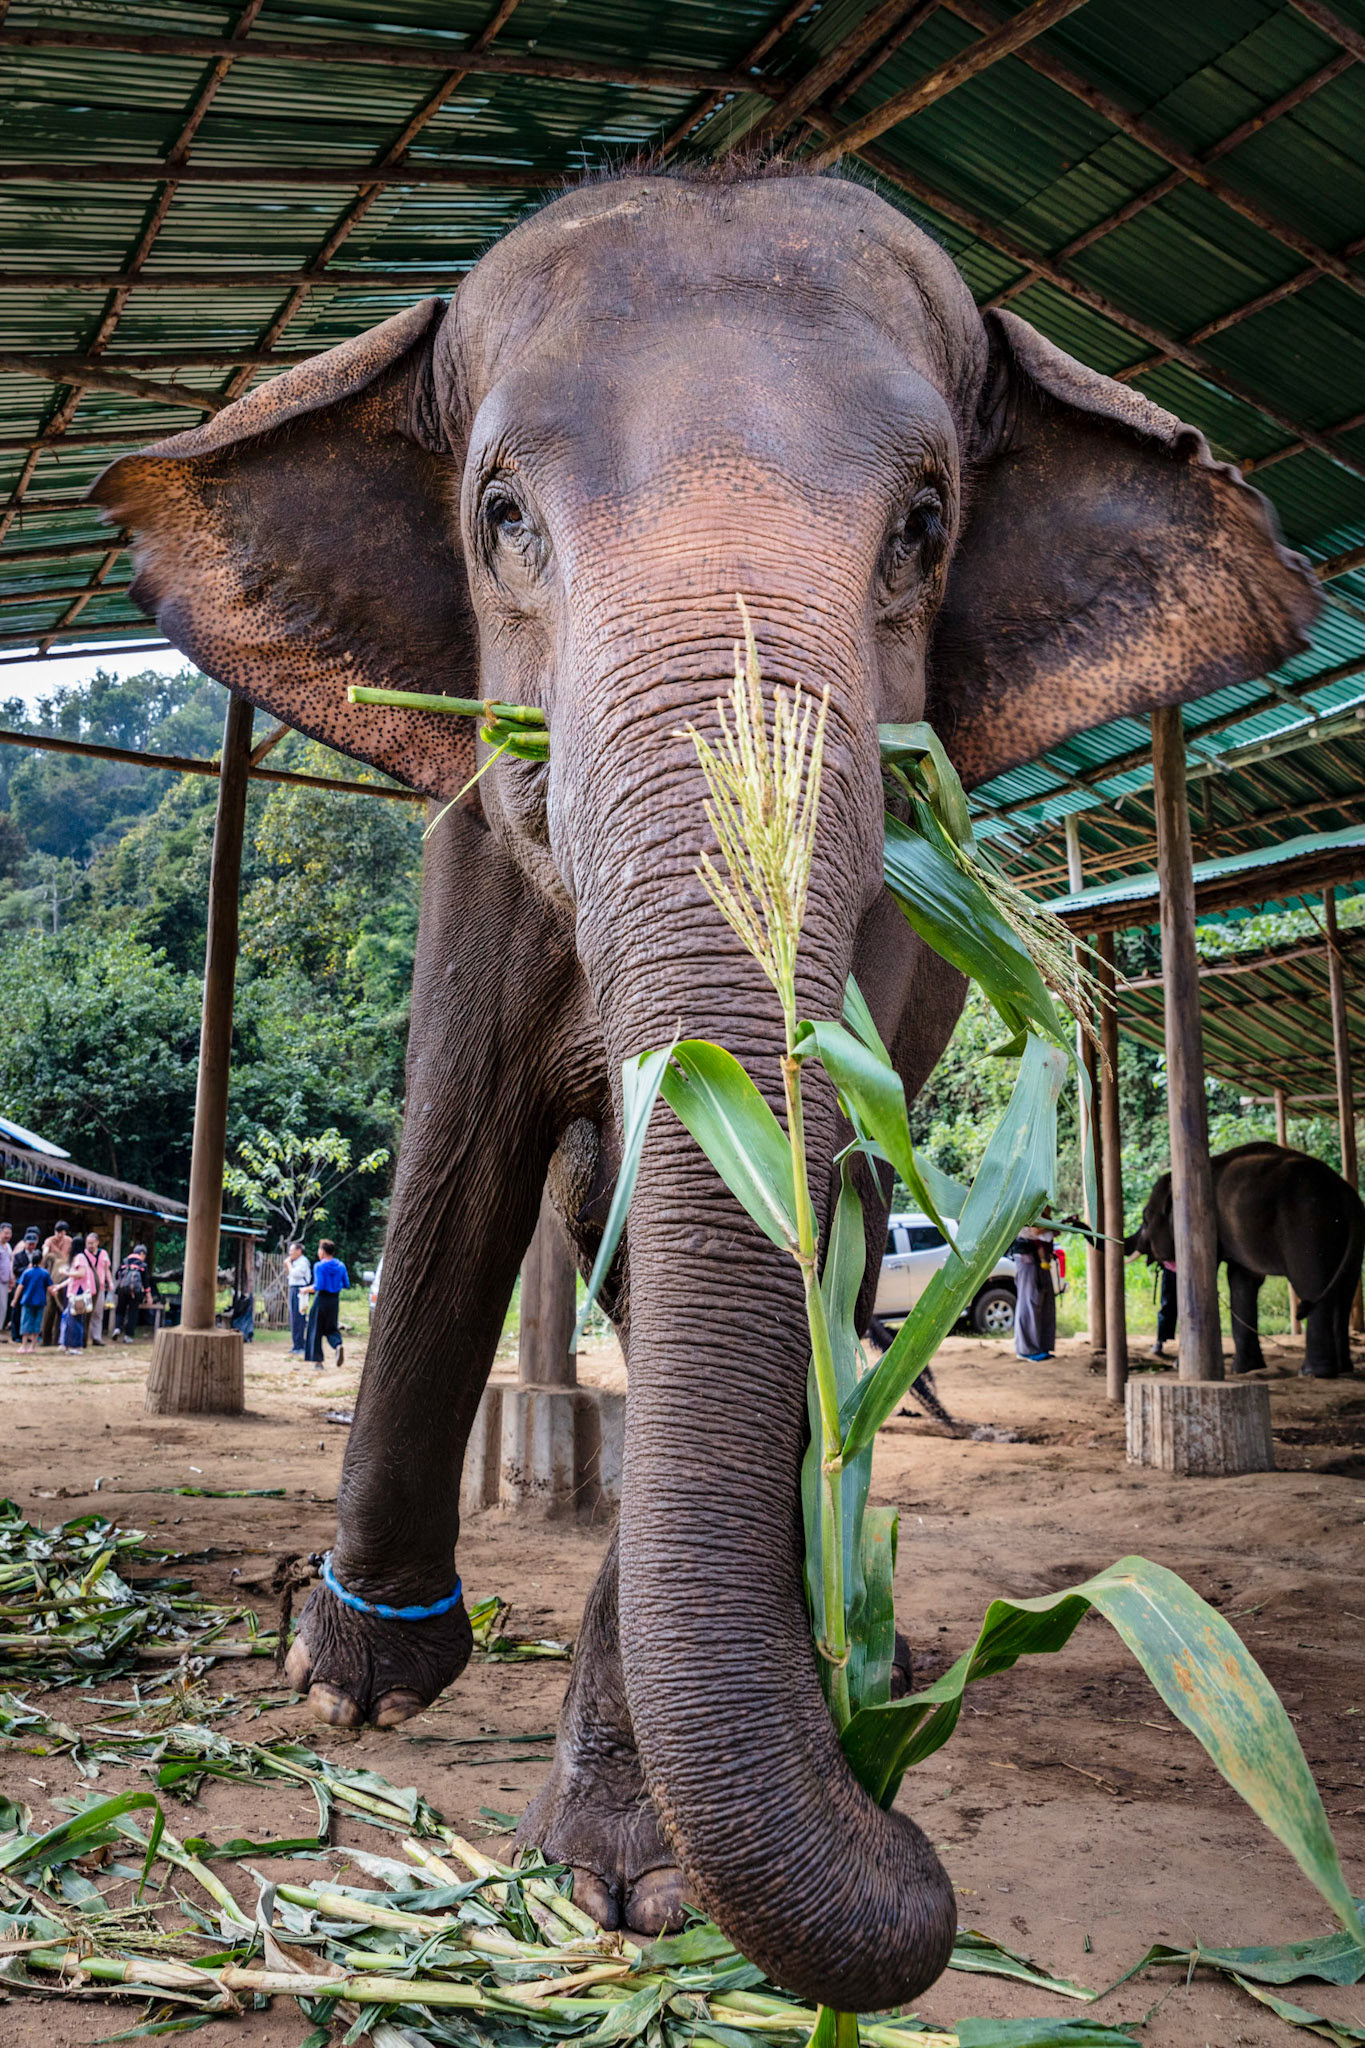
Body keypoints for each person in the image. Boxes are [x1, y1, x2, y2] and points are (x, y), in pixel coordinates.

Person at [1013, 1221, 1058, 1362]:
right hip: (1028, 1260)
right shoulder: (1028, 1208)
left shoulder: (1044, 1210)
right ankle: (1026, 1349)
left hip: (1040, 1261)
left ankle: (1041, 1347)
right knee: (1029, 1303)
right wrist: (1056, 1225)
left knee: (1045, 1304)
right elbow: (1036, 1231)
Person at [304, 1239, 349, 1370]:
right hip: (334, 1301)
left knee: (315, 1329)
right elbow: (346, 1284)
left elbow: (319, 1285)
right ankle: (337, 1345)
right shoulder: (341, 1266)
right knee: (331, 1328)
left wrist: (306, 1289)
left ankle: (318, 1362)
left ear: (322, 1251)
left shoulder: (319, 1266)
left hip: (321, 1300)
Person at [40, 1221, 72, 1349]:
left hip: (66, 1273)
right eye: (58, 1233)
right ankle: (46, 1338)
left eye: (62, 1233)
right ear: (55, 1231)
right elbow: (45, 1254)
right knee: (50, 1309)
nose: (60, 1235)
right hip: (52, 1273)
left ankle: (59, 1338)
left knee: (62, 1309)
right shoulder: (49, 1241)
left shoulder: (69, 1241)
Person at [15, 1255, 53, 1352]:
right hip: (40, 1301)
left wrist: (15, 1300)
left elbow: (20, 1286)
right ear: (41, 1261)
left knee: (25, 1323)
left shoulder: (27, 1272)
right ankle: (32, 1346)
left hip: (27, 1301)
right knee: (37, 1323)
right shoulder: (45, 1273)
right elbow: (50, 1287)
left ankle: (23, 1346)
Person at [114, 1243, 150, 1344]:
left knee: (120, 1310)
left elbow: (117, 1275)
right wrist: (148, 1296)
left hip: (122, 1289)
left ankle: (117, 1328)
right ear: (142, 1253)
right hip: (135, 1292)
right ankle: (128, 1336)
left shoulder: (125, 1261)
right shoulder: (142, 1265)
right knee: (132, 1313)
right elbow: (146, 1282)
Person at [7, 1227, 39, 1339]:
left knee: (31, 1312)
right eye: (29, 1244)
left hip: (33, 1287)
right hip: (21, 1285)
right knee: (17, 1310)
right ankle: (16, 1334)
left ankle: (30, 1334)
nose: (31, 1246)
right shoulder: (18, 1255)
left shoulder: (37, 1255)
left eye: (33, 1244)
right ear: (25, 1243)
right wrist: (27, 1268)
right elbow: (16, 1270)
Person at [286, 1241, 311, 1357]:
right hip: (293, 1289)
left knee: (298, 1318)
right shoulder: (295, 1262)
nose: (290, 1253)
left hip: (300, 1291)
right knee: (293, 1317)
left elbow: (296, 1274)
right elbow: (289, 1276)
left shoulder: (303, 1261)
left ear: (299, 1251)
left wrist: (289, 1264)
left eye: (292, 1250)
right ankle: (297, 1344)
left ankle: (300, 1345)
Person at [1150, 1258, 1177, 1359]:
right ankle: (1159, 1341)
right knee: (1166, 1307)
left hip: (1190, 1271)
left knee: (1189, 1312)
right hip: (1169, 1270)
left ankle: (1188, 1351)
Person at [0, 1224, 12, 1340]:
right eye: (6, 1233)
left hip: (5, 1282)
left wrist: (11, 1278)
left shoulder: (8, 1246)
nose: (8, 1236)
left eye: (9, 1233)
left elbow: (9, 1264)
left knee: (3, 1307)